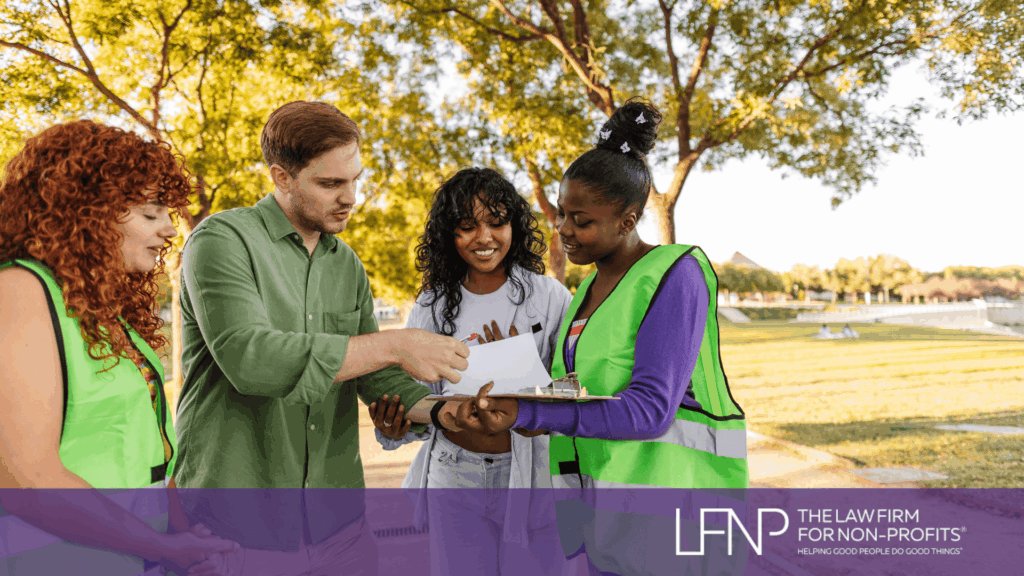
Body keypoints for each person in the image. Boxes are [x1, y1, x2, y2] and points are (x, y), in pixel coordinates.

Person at [172, 101, 478, 574]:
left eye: (355, 179)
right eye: (331, 183)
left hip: (342, 530)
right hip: (236, 530)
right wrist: (398, 343)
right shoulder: (222, 240)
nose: (350, 196)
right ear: (281, 177)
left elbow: (374, 379)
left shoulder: (347, 264)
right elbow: (251, 360)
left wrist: (449, 412)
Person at [451, 100, 749, 576]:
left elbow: (650, 410)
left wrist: (532, 410)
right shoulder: (588, 287)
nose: (564, 230)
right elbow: (584, 388)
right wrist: (516, 376)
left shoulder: (676, 274)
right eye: (563, 214)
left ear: (628, 221)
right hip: (606, 520)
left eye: (581, 220)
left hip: (674, 519)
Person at [0, 120, 237, 575]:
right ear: (86, 213)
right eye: (150, 214)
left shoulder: (108, 311)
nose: (170, 229)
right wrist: (161, 547)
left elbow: (151, 457)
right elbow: (26, 478)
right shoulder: (20, 290)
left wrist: (181, 540)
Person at [368, 167, 573, 575]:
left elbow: (574, 387)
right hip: (454, 476)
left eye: (497, 223)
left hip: (531, 476)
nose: (484, 238)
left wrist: (521, 380)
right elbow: (418, 397)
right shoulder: (431, 306)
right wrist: (399, 425)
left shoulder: (548, 296)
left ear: (514, 225)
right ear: (449, 234)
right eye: (466, 226)